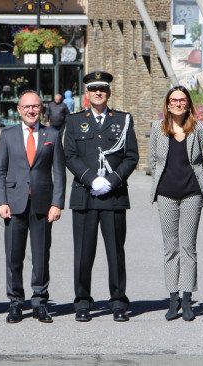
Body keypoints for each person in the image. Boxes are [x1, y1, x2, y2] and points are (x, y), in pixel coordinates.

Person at [63, 71, 139, 322]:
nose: (98, 93)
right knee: (84, 253)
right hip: (85, 194)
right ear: (87, 93)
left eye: (103, 90)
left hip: (113, 195)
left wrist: (112, 180)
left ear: (108, 93)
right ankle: (82, 302)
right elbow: (70, 155)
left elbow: (131, 156)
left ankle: (118, 301)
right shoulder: (74, 121)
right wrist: (90, 178)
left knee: (115, 252)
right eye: (94, 89)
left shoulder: (123, 120)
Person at [0, 90, 66, 323]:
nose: (31, 110)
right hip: (13, 205)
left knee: (40, 256)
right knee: (13, 257)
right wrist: (1, 201)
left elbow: (59, 172)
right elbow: (0, 172)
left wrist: (57, 204)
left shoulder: (52, 135)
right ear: (18, 110)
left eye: (35, 106)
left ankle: (39, 302)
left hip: (43, 205)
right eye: (26, 107)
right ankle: (15, 302)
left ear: (41, 108)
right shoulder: (8, 135)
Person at [148, 85, 203, 321]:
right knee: (170, 247)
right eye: (173, 100)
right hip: (166, 194)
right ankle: (172, 298)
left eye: (182, 100)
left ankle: (187, 299)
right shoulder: (157, 128)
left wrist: (199, 185)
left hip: (191, 193)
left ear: (188, 103)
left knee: (188, 246)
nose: (177, 104)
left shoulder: (200, 128)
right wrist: (159, 182)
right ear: (167, 104)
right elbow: (153, 160)